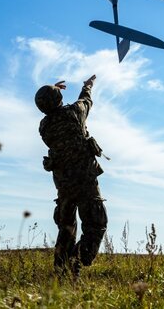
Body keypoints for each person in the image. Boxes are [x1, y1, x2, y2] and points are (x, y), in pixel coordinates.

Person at [35, 74, 107, 277]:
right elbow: (86, 101)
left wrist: (52, 91)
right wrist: (88, 86)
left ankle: (60, 271)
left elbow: (50, 108)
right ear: (58, 100)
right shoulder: (73, 113)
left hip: (63, 185)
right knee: (96, 224)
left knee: (66, 229)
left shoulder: (44, 127)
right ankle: (77, 259)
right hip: (85, 180)